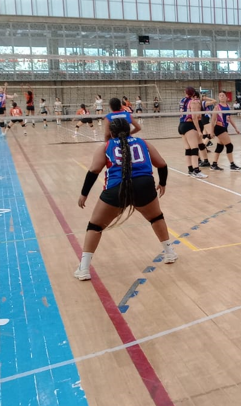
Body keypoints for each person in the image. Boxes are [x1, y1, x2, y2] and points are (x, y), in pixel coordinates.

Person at [74, 118, 177, 281]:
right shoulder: (143, 143)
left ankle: (84, 268)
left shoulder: (106, 147)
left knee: (95, 226)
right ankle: (169, 253)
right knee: (156, 217)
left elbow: (94, 170)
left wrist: (84, 193)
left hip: (117, 189)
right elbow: (162, 164)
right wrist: (162, 183)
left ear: (111, 132)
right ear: (129, 130)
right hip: (144, 185)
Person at [178, 87, 208, 179]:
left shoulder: (182, 100)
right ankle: (196, 170)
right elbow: (194, 117)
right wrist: (199, 131)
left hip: (181, 125)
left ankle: (190, 170)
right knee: (194, 149)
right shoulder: (193, 102)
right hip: (189, 125)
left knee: (188, 149)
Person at [209, 92, 241, 172]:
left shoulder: (228, 106)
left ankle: (214, 164)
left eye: (223, 95)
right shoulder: (217, 107)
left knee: (220, 147)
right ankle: (232, 165)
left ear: (226, 97)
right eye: (220, 96)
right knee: (229, 146)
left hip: (224, 128)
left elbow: (230, 119)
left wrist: (236, 128)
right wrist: (211, 132)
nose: (221, 97)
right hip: (219, 128)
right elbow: (213, 120)